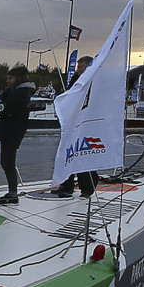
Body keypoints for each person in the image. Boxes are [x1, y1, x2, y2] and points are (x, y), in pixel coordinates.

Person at [0, 66, 36, 205]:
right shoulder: (19, 92)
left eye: (10, 78)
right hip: (11, 130)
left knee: (7, 162)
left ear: (18, 78)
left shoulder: (19, 93)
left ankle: (13, 193)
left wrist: (1, 107)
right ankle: (12, 191)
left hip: (12, 131)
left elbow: (4, 109)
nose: (8, 81)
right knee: (6, 162)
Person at [52, 56, 96, 198]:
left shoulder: (93, 82)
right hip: (72, 123)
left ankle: (88, 186)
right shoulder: (76, 81)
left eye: (81, 67)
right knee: (68, 154)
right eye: (78, 67)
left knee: (82, 155)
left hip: (85, 123)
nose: (78, 70)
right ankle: (66, 185)